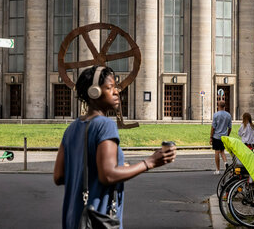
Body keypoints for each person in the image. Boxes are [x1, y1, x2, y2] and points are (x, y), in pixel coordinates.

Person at [54, 66, 176, 228]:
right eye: (109, 88)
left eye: (115, 87)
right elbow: (108, 175)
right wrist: (150, 162)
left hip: (74, 220)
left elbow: (59, 176)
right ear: (94, 92)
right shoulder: (105, 125)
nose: (116, 92)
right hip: (97, 220)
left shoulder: (71, 129)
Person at [211, 99, 232, 174]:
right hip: (224, 136)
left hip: (216, 136)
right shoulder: (228, 115)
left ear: (218, 106)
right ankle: (225, 162)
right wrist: (227, 135)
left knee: (217, 151)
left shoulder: (216, 115)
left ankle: (217, 169)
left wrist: (211, 137)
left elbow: (213, 127)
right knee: (222, 151)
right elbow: (230, 127)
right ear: (224, 106)